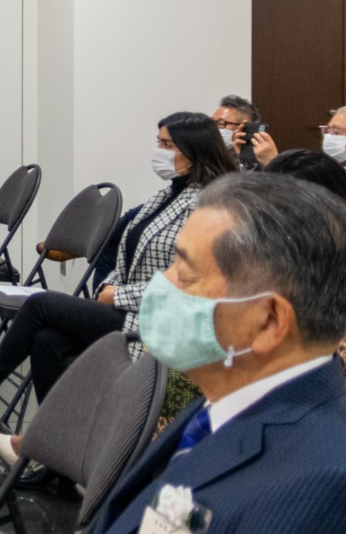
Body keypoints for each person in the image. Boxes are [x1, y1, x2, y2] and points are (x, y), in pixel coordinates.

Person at [0, 112, 237, 430]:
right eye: (159, 142)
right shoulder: (166, 194)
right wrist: (106, 287)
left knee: (39, 306)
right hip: (125, 305)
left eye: (168, 144)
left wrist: (117, 296)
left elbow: (189, 281)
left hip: (158, 320)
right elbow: (122, 252)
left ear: (195, 150)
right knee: (46, 340)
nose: (160, 151)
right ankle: (56, 450)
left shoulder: (210, 204)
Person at [90, 174, 346, 533]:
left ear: (269, 321)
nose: (162, 282)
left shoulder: (320, 484)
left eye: (185, 272)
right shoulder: (220, 401)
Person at [211, 94, 276, 168]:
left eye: (221, 123)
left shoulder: (260, 160)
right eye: (211, 122)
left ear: (244, 127)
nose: (214, 128)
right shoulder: (207, 155)